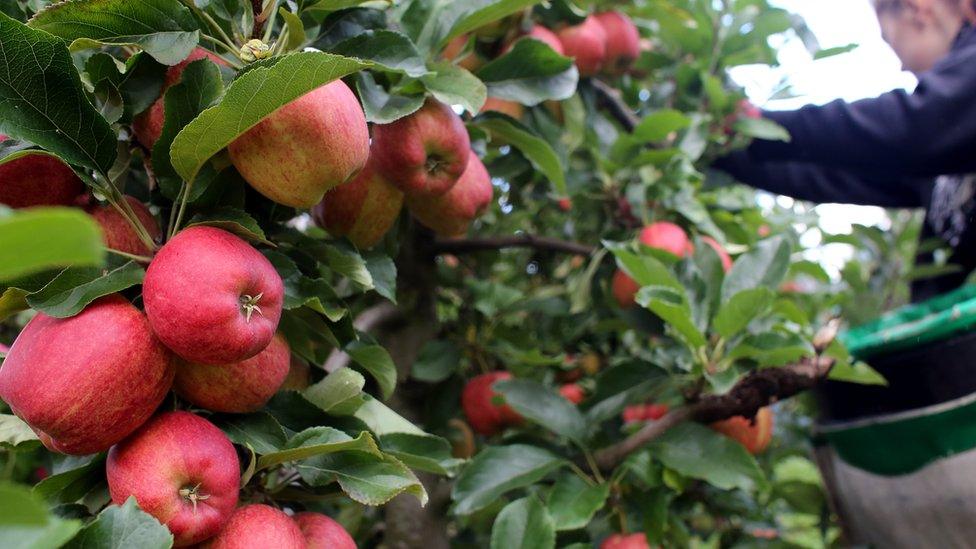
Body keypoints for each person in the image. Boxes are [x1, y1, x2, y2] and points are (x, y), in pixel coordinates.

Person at [718, 0, 976, 301]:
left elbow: (913, 127)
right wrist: (725, 148)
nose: (901, 65)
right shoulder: (943, 154)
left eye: (890, 40)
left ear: (918, 9)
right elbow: (832, 175)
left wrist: (757, 123)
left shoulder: (939, 123)